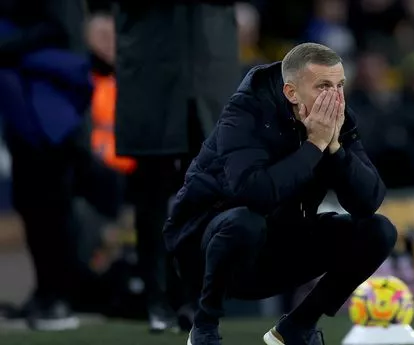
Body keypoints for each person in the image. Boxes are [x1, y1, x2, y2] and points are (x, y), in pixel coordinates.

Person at [164, 43, 398, 345]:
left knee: (380, 231)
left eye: (340, 85)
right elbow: (255, 193)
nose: (335, 97)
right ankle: (204, 326)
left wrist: (336, 150)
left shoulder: (336, 119)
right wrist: (313, 146)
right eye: (323, 86)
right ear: (291, 93)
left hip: (279, 245)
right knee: (244, 222)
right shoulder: (245, 113)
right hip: (205, 253)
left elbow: (369, 201)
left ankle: (297, 327)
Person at [111, 0, 240, 332]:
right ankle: (158, 298)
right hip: (153, 67)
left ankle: (196, 298)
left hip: (208, 65)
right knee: (152, 189)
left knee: (208, 187)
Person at [0, 0, 90, 331]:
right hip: (19, 95)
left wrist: (5, 45)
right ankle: (44, 291)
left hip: (50, 97)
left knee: (51, 200)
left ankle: (60, 295)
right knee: (28, 199)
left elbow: (57, 28)